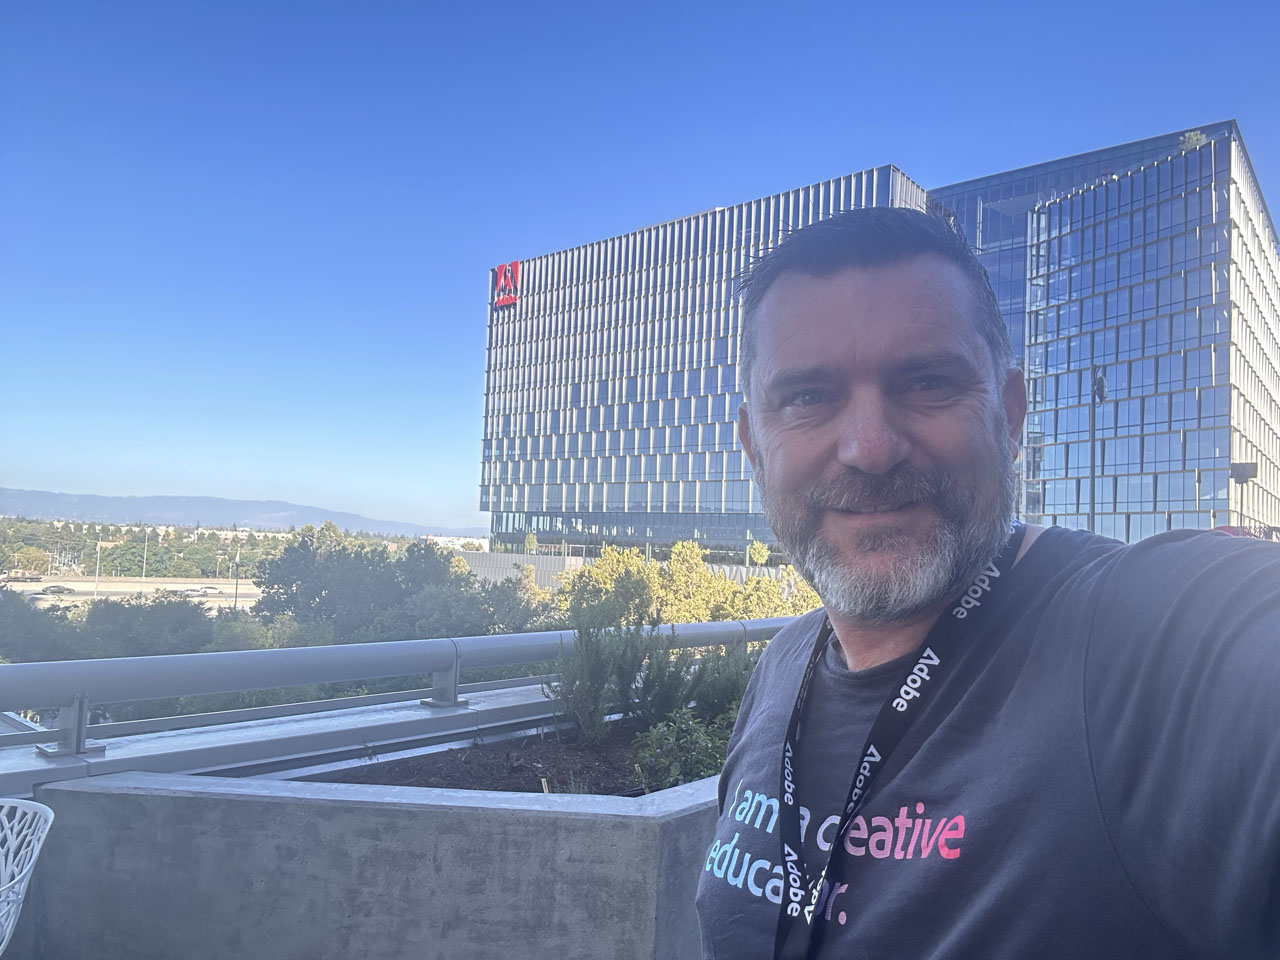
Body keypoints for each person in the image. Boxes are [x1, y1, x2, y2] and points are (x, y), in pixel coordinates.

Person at [694, 207, 1280, 959]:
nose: (870, 448)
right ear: (753, 444)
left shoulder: (1139, 635)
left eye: (928, 382)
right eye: (808, 397)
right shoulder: (784, 664)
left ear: (1008, 414)